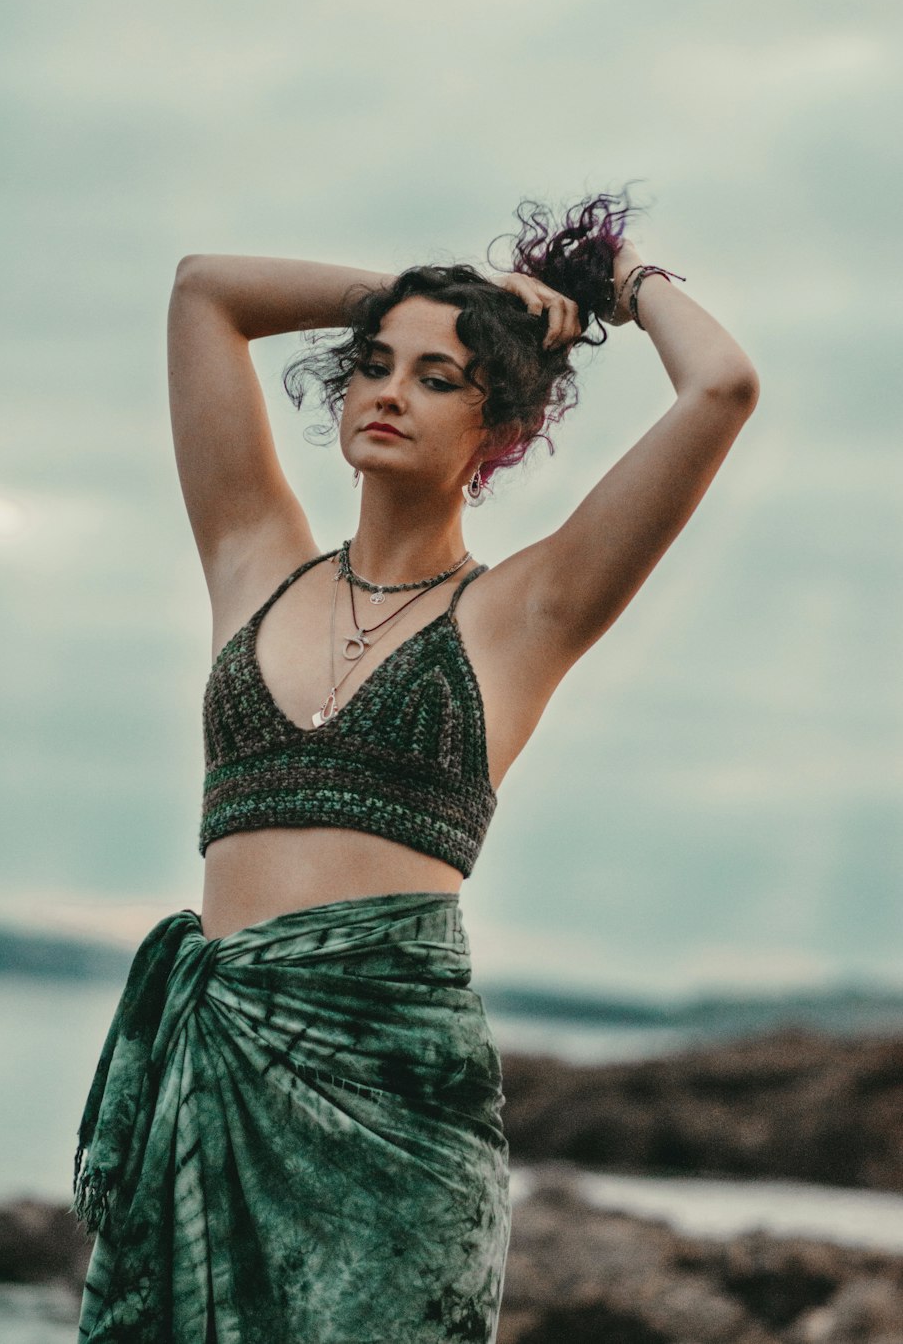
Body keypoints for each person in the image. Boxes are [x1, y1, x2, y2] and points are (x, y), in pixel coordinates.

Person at [71, 192, 760, 1343]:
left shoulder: (524, 613)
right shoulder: (255, 561)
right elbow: (205, 290)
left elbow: (721, 389)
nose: (388, 389)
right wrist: (430, 302)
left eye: (439, 377)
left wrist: (617, 280)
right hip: (212, 1077)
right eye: (375, 366)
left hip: (395, 1115)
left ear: (501, 432)